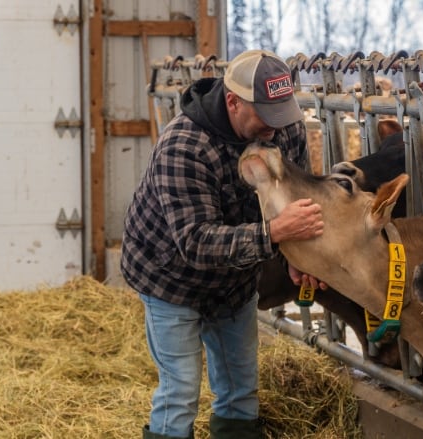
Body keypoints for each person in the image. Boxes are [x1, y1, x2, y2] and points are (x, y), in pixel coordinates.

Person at [121, 49, 326, 439]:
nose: (277, 126)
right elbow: (196, 243)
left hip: (236, 279)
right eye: (267, 114)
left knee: (239, 387)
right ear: (233, 101)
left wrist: (294, 258)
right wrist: (275, 235)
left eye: (283, 111)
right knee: (180, 390)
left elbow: (286, 203)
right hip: (170, 278)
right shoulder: (184, 146)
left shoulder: (283, 129)